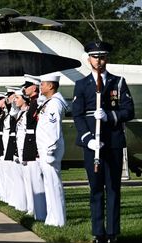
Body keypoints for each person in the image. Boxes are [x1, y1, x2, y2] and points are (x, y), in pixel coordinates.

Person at [72, 41, 134, 243]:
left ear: (107, 58)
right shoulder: (81, 85)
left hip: (113, 142)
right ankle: (98, 232)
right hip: (93, 145)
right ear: (88, 59)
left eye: (102, 57)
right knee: (96, 189)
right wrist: (87, 139)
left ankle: (112, 233)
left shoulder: (118, 82)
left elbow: (129, 111)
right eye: (95, 57)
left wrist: (110, 115)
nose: (99, 61)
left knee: (113, 189)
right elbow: (78, 115)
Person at [36, 74, 67, 227]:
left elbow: (54, 129)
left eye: (43, 84)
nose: (40, 87)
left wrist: (51, 150)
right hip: (45, 148)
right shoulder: (49, 103)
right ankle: (52, 218)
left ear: (51, 86)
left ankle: (59, 220)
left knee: (54, 184)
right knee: (49, 184)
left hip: (50, 149)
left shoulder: (54, 104)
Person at [21, 74, 47, 221]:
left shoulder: (37, 103)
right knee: (33, 181)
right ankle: (37, 212)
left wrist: (37, 147)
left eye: (27, 85)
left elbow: (38, 126)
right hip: (30, 143)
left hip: (35, 144)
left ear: (35, 87)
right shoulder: (32, 103)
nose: (25, 88)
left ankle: (41, 214)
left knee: (37, 180)